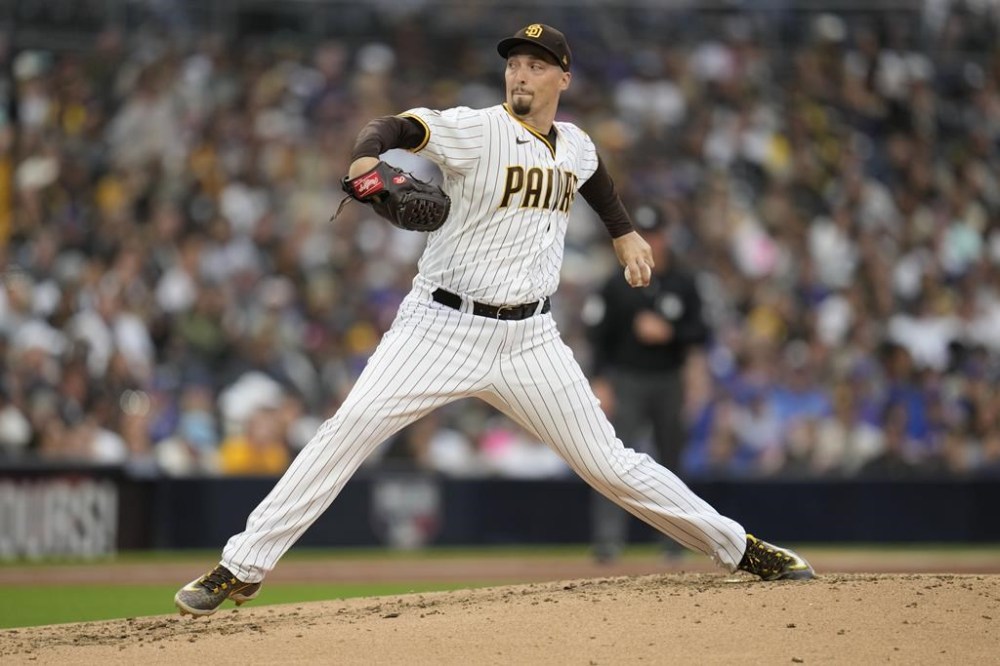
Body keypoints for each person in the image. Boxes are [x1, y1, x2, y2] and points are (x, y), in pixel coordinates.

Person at [174, 23, 814, 617]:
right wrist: (366, 160)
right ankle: (241, 565)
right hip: (440, 327)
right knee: (348, 429)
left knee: (611, 465)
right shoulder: (476, 129)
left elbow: (594, 180)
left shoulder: (577, 145)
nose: (520, 75)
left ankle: (741, 549)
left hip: (530, 339)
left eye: (536, 65)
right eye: (514, 64)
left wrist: (624, 234)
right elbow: (393, 125)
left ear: (564, 78)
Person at [584, 204, 711, 562]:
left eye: (657, 235)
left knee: (672, 459)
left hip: (670, 379)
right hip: (627, 380)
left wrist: (670, 333)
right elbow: (598, 337)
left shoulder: (683, 282)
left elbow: (702, 332)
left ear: (665, 238)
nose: (652, 242)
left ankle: (676, 539)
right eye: (647, 235)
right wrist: (600, 381)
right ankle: (608, 541)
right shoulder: (615, 283)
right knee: (613, 461)